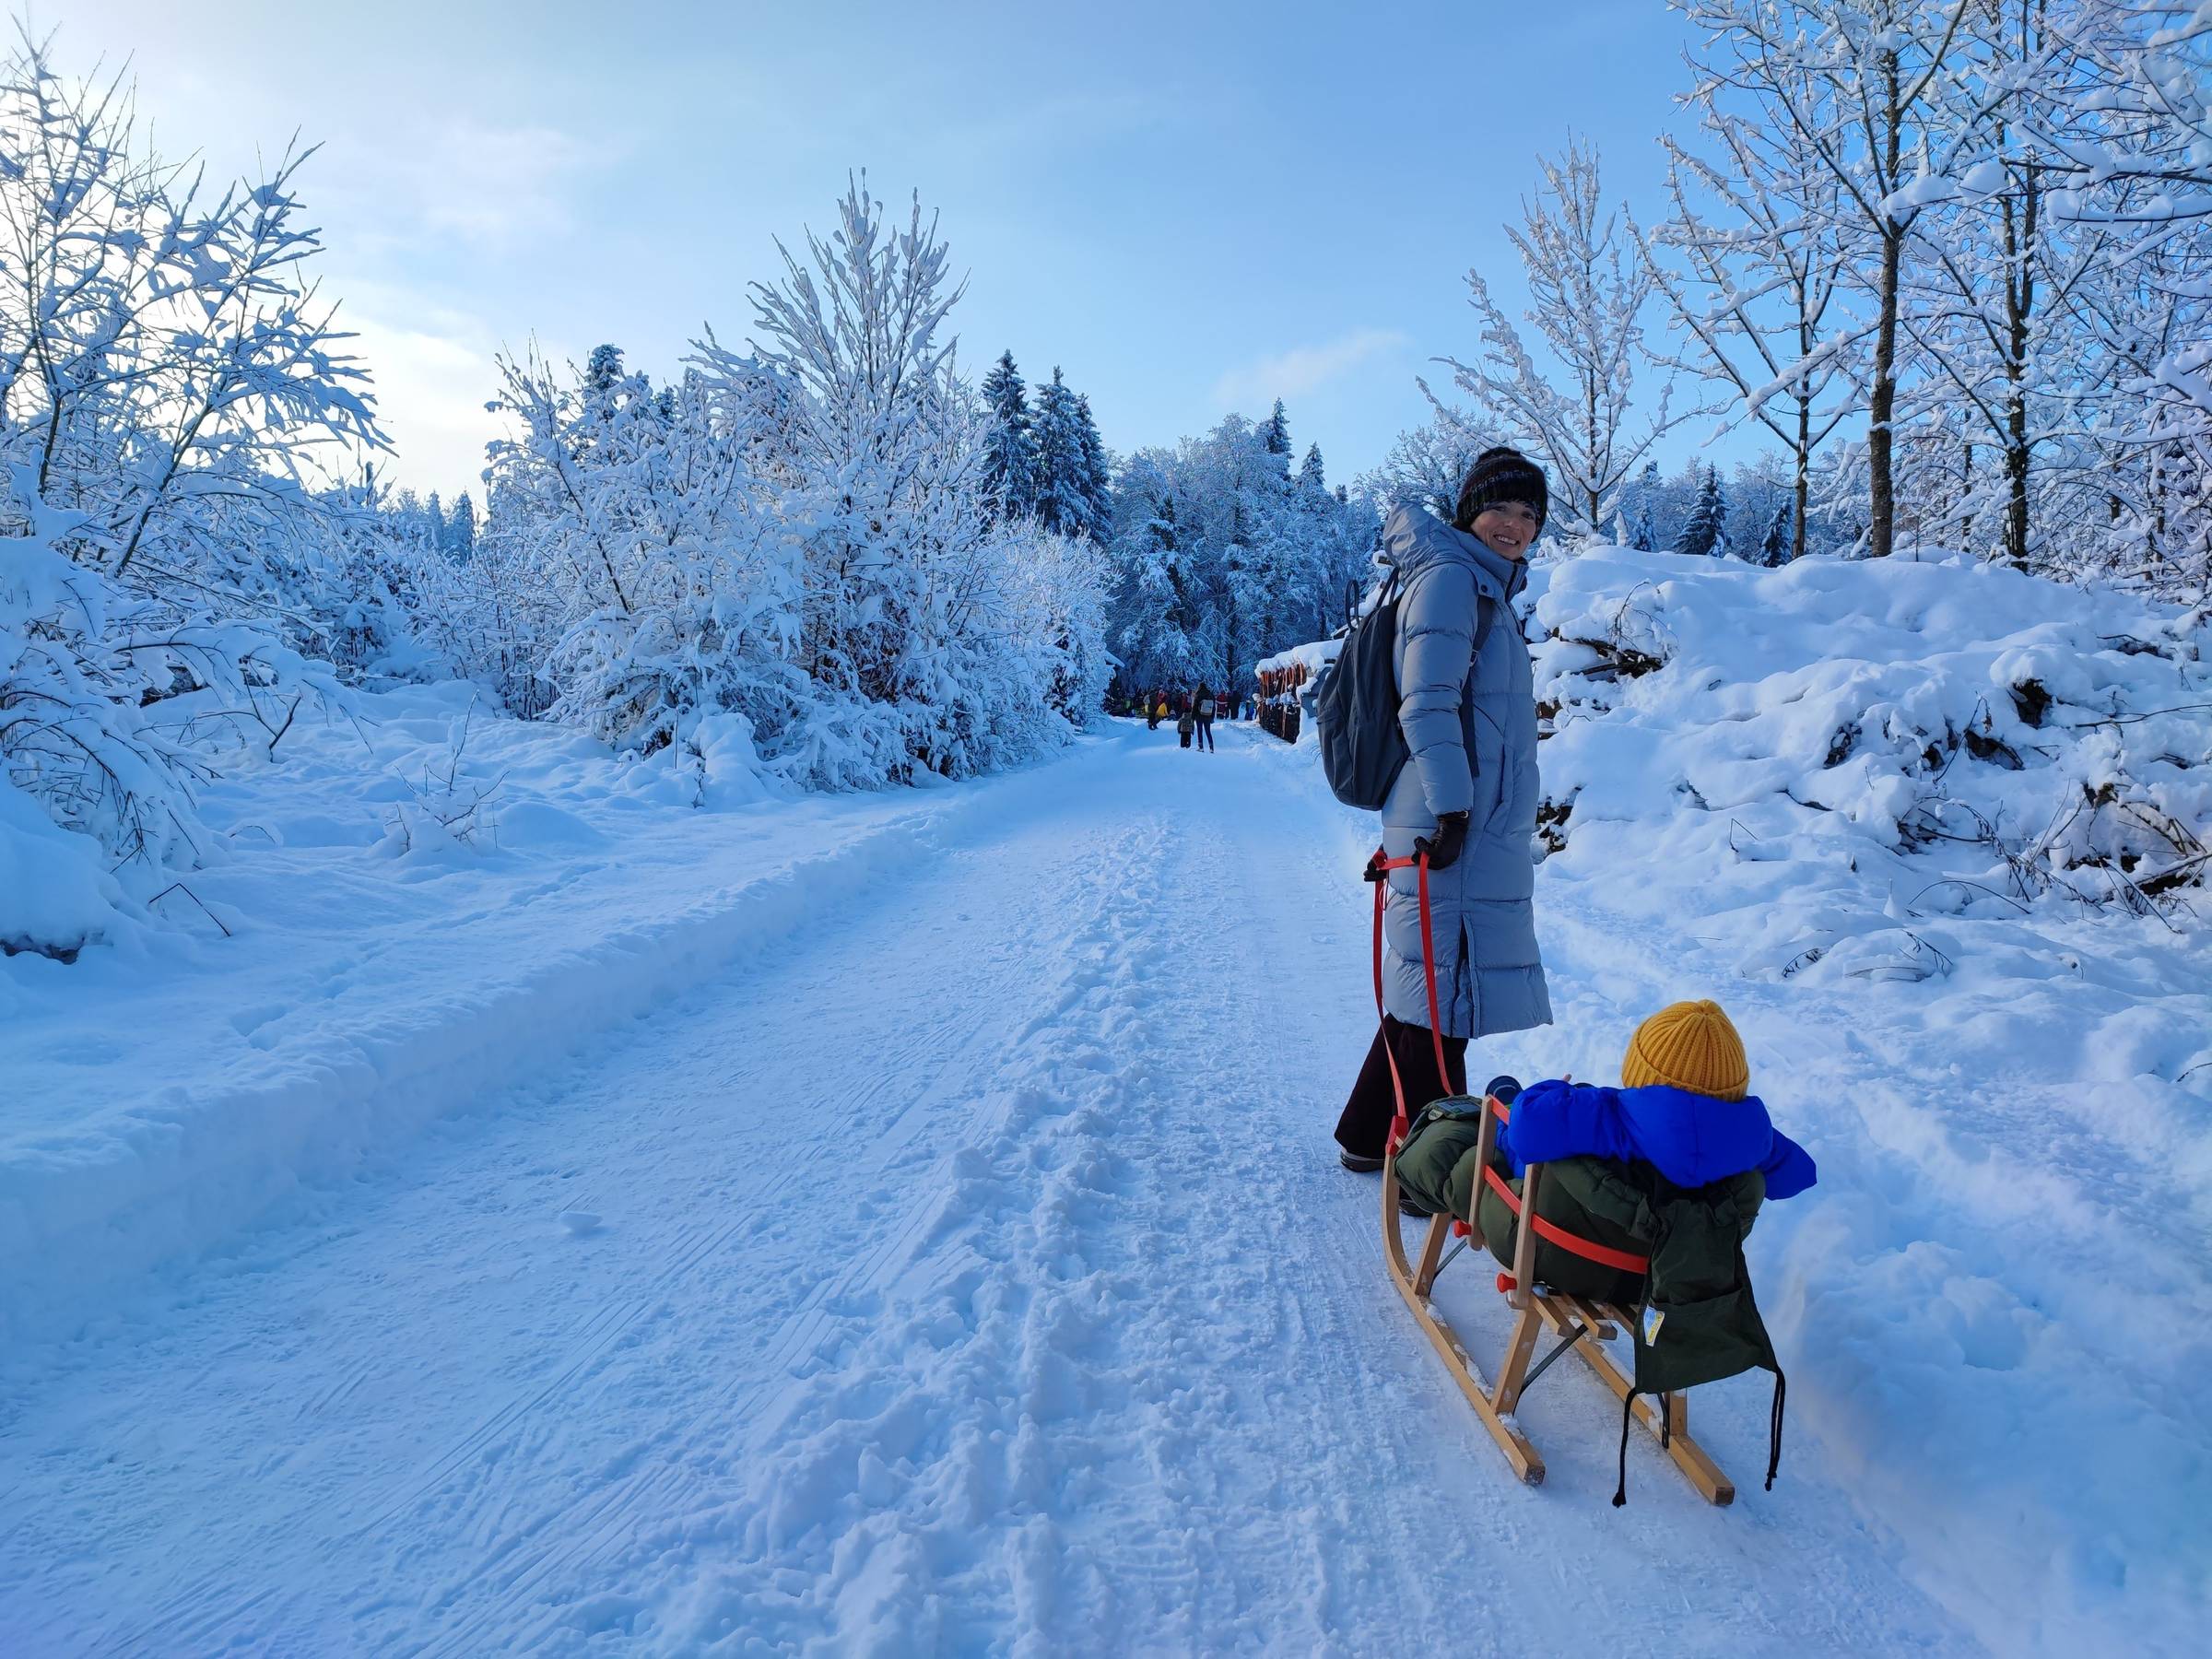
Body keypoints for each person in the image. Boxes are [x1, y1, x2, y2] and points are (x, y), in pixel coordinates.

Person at [1336, 447, 1554, 1172]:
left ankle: (1368, 1134)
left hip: (1461, 823)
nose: (1515, 525)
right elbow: (1424, 703)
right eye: (1502, 508)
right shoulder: (1455, 580)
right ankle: (1443, 1170)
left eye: (1530, 514)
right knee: (1443, 999)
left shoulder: (1477, 586)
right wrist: (1456, 811)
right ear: (1470, 511)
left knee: (1432, 986)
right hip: (1447, 822)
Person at [1193, 683, 1217, 752]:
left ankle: (1201, 747)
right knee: (1208, 731)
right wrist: (1212, 716)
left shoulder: (1198, 694)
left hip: (1199, 715)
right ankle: (1211, 748)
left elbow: (1194, 706)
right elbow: (1213, 707)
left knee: (1200, 731)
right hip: (1208, 715)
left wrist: (1193, 717)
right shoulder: (1210, 694)